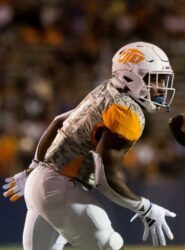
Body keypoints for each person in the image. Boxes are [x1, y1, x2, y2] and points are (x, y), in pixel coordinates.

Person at [3, 41, 176, 250]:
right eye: (155, 79)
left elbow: (58, 121)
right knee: (110, 247)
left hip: (41, 181)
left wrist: (32, 169)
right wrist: (145, 208)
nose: (159, 87)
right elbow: (106, 181)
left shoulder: (106, 90)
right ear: (132, 76)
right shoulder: (126, 113)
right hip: (60, 187)